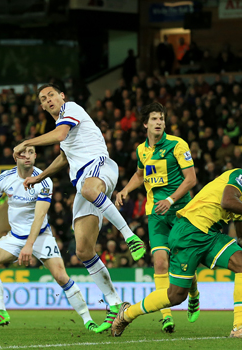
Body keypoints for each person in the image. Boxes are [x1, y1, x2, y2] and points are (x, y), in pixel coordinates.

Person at [12, 84, 146, 333]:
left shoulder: (71, 109)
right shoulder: (63, 125)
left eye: (52, 94)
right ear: (41, 106)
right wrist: (40, 178)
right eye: (43, 99)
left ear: (62, 96)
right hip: (85, 181)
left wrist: (26, 142)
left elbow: (60, 135)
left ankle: (130, 236)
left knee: (87, 189)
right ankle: (116, 305)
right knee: (83, 251)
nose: (49, 99)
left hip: (100, 166)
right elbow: (64, 155)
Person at [111, 154, 242, 339]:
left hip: (210, 235)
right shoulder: (241, 176)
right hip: (190, 231)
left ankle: (239, 327)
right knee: (176, 296)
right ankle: (126, 314)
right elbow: (227, 201)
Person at [0, 143, 98, 331]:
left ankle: (88, 320)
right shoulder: (4, 178)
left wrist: (29, 245)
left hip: (40, 236)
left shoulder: (43, 181)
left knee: (61, 276)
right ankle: (0, 311)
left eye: (31, 152)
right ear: (15, 157)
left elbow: (39, 216)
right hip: (15, 236)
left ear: (35, 156)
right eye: (22, 153)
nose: (27, 156)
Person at [115, 102, 199, 333]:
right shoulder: (142, 150)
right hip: (156, 213)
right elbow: (141, 173)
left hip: (182, 212)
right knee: (160, 262)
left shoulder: (177, 144)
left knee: (184, 263)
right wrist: (126, 190)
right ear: (145, 124)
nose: (159, 122)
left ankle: (194, 294)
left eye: (161, 118)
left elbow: (191, 179)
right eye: (154, 118)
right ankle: (166, 315)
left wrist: (171, 199)